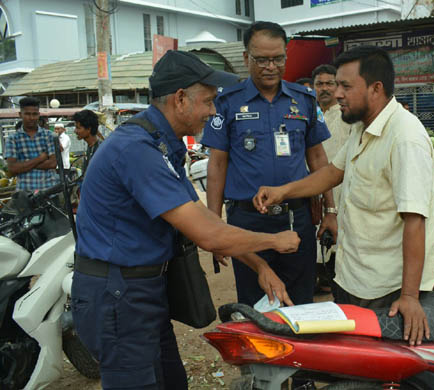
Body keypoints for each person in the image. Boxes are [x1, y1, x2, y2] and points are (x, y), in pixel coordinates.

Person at [71, 50, 300, 390]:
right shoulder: (137, 150)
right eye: (208, 101)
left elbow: (203, 219)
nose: (213, 110)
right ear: (180, 99)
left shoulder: (162, 144)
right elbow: (209, 235)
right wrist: (274, 241)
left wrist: (260, 266)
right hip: (118, 295)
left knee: (171, 380)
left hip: (141, 291)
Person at [254, 45, 434, 346]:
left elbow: (414, 221)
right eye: (336, 84)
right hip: (352, 276)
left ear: (376, 88)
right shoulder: (362, 127)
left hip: (386, 290)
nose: (337, 93)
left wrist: (409, 296)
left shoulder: (405, 139)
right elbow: (332, 173)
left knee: (381, 369)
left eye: (345, 86)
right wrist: (282, 192)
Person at [201, 21, 337, 308]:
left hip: (296, 218)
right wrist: (214, 226)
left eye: (278, 59)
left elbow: (318, 159)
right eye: (262, 59)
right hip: (247, 221)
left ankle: (298, 355)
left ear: (285, 57)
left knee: (300, 303)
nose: (270, 66)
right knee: (255, 308)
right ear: (246, 58)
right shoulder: (227, 103)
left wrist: (330, 210)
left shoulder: (304, 100)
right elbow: (217, 167)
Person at [311, 64, 352, 293]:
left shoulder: (347, 117)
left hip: (342, 188)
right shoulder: (312, 115)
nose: (324, 88)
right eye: (320, 84)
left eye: (329, 83)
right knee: (319, 236)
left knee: (342, 238)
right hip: (317, 188)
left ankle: (334, 282)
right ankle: (321, 279)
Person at [4, 97, 59, 191]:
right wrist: (40, 158)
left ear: (39, 115)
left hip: (49, 192)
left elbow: (53, 163)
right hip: (25, 195)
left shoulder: (49, 136)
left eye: (34, 114)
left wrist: (23, 165)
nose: (31, 118)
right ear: (20, 114)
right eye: (27, 114)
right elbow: (12, 168)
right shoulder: (12, 139)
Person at [73, 109, 101, 175]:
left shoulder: (100, 150)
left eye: (78, 128)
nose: (75, 131)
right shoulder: (90, 147)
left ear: (88, 129)